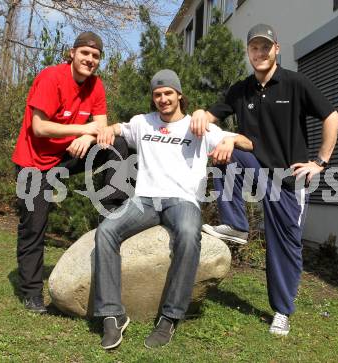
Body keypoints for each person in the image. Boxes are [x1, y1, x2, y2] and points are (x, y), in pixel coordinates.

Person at [190, 24, 338, 336]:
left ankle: (282, 311)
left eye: (265, 47)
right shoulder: (241, 89)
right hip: (257, 170)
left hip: (289, 182)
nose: (259, 53)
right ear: (249, 52)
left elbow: (332, 117)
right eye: (254, 48)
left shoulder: (295, 84)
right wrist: (200, 114)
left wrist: (320, 163)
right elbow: (211, 117)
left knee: (283, 245)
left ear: (277, 50)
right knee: (223, 151)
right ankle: (236, 225)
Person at [93, 69, 253, 349]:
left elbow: (247, 142)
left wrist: (228, 140)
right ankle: (111, 315)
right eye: (157, 94)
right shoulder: (143, 123)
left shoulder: (198, 125)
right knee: (106, 231)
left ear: (179, 95)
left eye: (168, 93)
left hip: (182, 200)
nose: (163, 99)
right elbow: (119, 129)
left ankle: (169, 317)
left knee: (190, 236)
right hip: (144, 200)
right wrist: (108, 128)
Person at [12, 31, 129, 314]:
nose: (90, 60)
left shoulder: (95, 85)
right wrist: (83, 129)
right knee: (34, 224)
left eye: (96, 56)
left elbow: (101, 128)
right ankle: (31, 292)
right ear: (72, 53)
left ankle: (112, 205)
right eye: (85, 53)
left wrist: (90, 137)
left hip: (65, 158)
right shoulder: (52, 77)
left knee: (120, 141)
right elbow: (39, 127)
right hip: (33, 163)